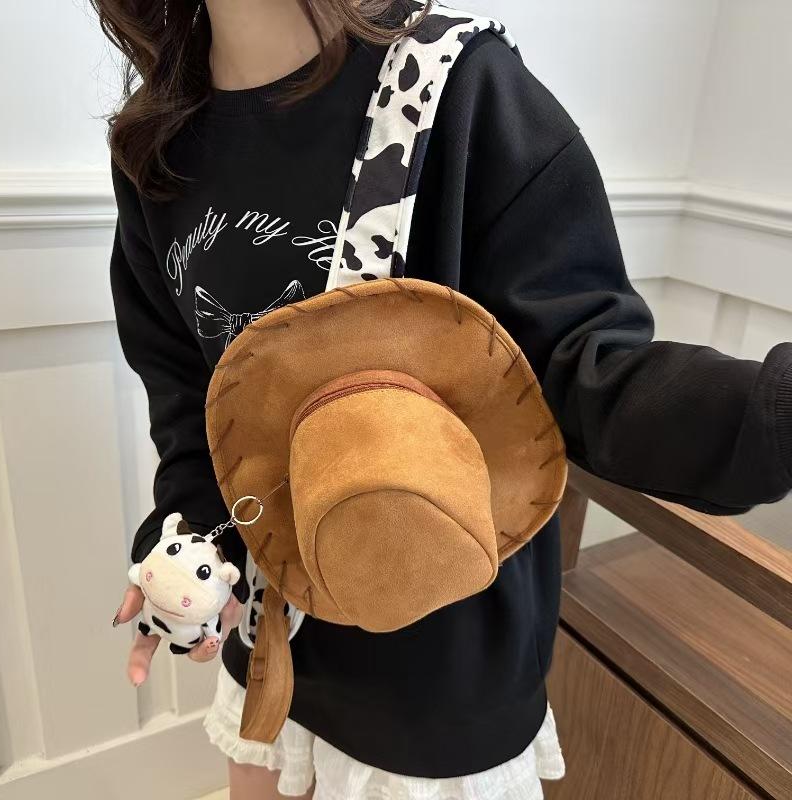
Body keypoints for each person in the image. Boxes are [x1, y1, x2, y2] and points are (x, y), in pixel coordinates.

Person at [100, 1, 792, 798]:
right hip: (272, 647)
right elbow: (191, 401)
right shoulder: (157, 141)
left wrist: (772, 414)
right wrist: (187, 541)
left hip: (436, 688)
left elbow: (588, 375)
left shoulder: (458, 88)